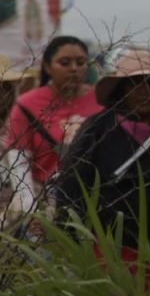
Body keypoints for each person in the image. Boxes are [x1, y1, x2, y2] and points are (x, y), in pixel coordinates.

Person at [57, 49, 150, 259]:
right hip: (113, 249)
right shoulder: (99, 128)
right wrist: (69, 237)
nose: (144, 91)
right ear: (122, 90)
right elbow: (73, 182)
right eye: (134, 83)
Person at [2, 37, 102, 230]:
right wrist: (29, 208)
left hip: (93, 199)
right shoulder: (28, 104)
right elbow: (19, 160)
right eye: (64, 63)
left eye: (80, 63)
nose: (74, 68)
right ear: (48, 67)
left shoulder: (101, 100)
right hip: (47, 200)